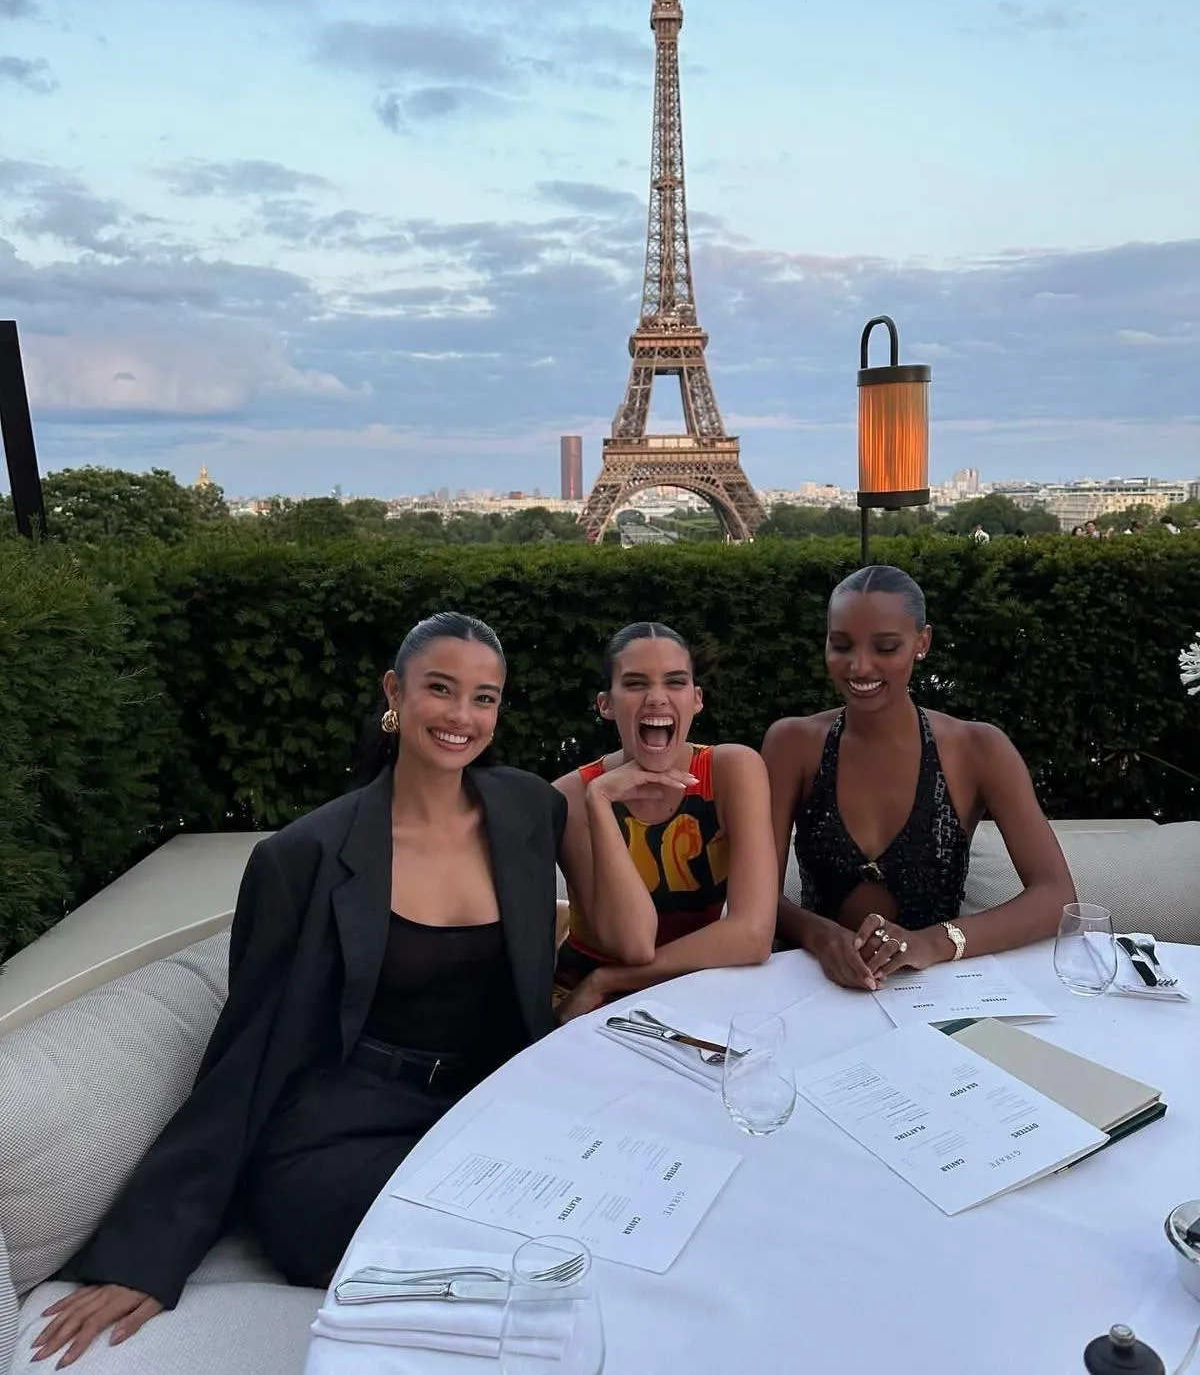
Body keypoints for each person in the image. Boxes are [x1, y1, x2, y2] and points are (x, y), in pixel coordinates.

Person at [33, 612, 650, 1368]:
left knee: (619, 1205)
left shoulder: (528, 809)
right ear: (395, 692)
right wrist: (147, 1254)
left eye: (484, 698)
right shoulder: (304, 857)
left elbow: (629, 942)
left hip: (482, 1107)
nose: (462, 717)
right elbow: (245, 1051)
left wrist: (596, 812)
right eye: (440, 690)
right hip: (341, 1130)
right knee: (500, 1252)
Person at [761, 567, 1075, 991]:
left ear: (921, 642)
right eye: (841, 645)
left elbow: (1056, 896)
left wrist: (933, 942)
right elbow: (755, 896)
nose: (859, 665)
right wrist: (819, 936)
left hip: (937, 995)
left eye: (886, 647)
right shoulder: (792, 745)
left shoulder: (978, 749)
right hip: (812, 988)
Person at [553, 622, 777, 1021]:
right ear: (606, 704)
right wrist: (601, 800)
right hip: (586, 998)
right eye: (636, 684)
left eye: (674, 683)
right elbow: (634, 944)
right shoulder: (572, 796)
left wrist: (611, 978)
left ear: (696, 699)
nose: (657, 699)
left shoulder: (731, 771)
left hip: (680, 985)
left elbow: (753, 934)